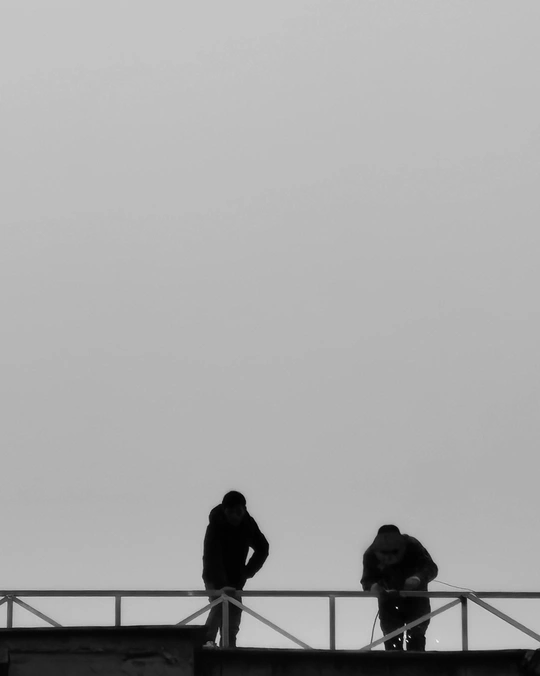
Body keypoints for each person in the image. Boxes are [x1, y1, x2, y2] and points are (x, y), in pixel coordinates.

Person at [202, 490, 269, 647]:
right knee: (219, 605)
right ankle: (207, 643)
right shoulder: (215, 525)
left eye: (238, 512)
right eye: (231, 512)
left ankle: (229, 646)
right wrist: (221, 585)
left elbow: (263, 548)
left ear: (244, 510)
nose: (235, 517)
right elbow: (212, 558)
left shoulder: (248, 524)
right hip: (214, 576)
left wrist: (247, 572)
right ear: (225, 511)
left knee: (234, 612)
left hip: (236, 577)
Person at [361, 524, 438, 651]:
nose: (389, 557)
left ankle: (416, 662)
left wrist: (417, 578)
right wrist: (374, 587)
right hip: (388, 601)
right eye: (384, 554)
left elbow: (431, 568)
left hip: (416, 599)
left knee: (416, 635)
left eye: (394, 552)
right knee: (392, 638)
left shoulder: (412, 546)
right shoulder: (370, 555)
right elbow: (367, 580)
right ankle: (394, 662)